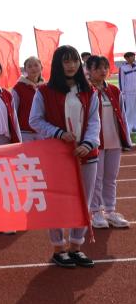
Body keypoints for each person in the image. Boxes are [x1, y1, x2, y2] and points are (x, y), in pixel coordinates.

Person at [29, 45, 100, 269]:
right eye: (66, 61)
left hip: (86, 155)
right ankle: (59, 248)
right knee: (57, 201)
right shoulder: (44, 91)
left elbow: (94, 121)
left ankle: (76, 246)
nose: (71, 65)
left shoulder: (89, 91)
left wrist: (88, 144)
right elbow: (35, 120)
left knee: (84, 201)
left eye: (75, 61)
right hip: (57, 156)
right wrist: (59, 133)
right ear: (57, 64)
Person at [86, 55, 130, 229]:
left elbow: (122, 117)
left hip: (114, 140)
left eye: (105, 67)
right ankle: (96, 212)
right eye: (98, 68)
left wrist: (125, 139)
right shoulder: (85, 91)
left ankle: (110, 211)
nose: (102, 71)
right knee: (96, 179)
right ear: (89, 70)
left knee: (111, 178)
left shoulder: (114, 90)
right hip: (96, 142)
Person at [12, 56, 44, 142]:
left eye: (36, 65)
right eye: (29, 66)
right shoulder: (18, 88)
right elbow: (13, 111)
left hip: (42, 131)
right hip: (25, 133)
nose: (33, 68)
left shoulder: (45, 87)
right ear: (25, 70)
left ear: (41, 67)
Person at [119, 52, 136, 133]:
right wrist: (123, 93)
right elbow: (121, 81)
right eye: (132, 57)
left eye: (134, 56)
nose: (133, 58)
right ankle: (128, 126)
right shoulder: (123, 68)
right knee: (129, 109)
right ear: (126, 58)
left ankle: (135, 126)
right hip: (128, 92)